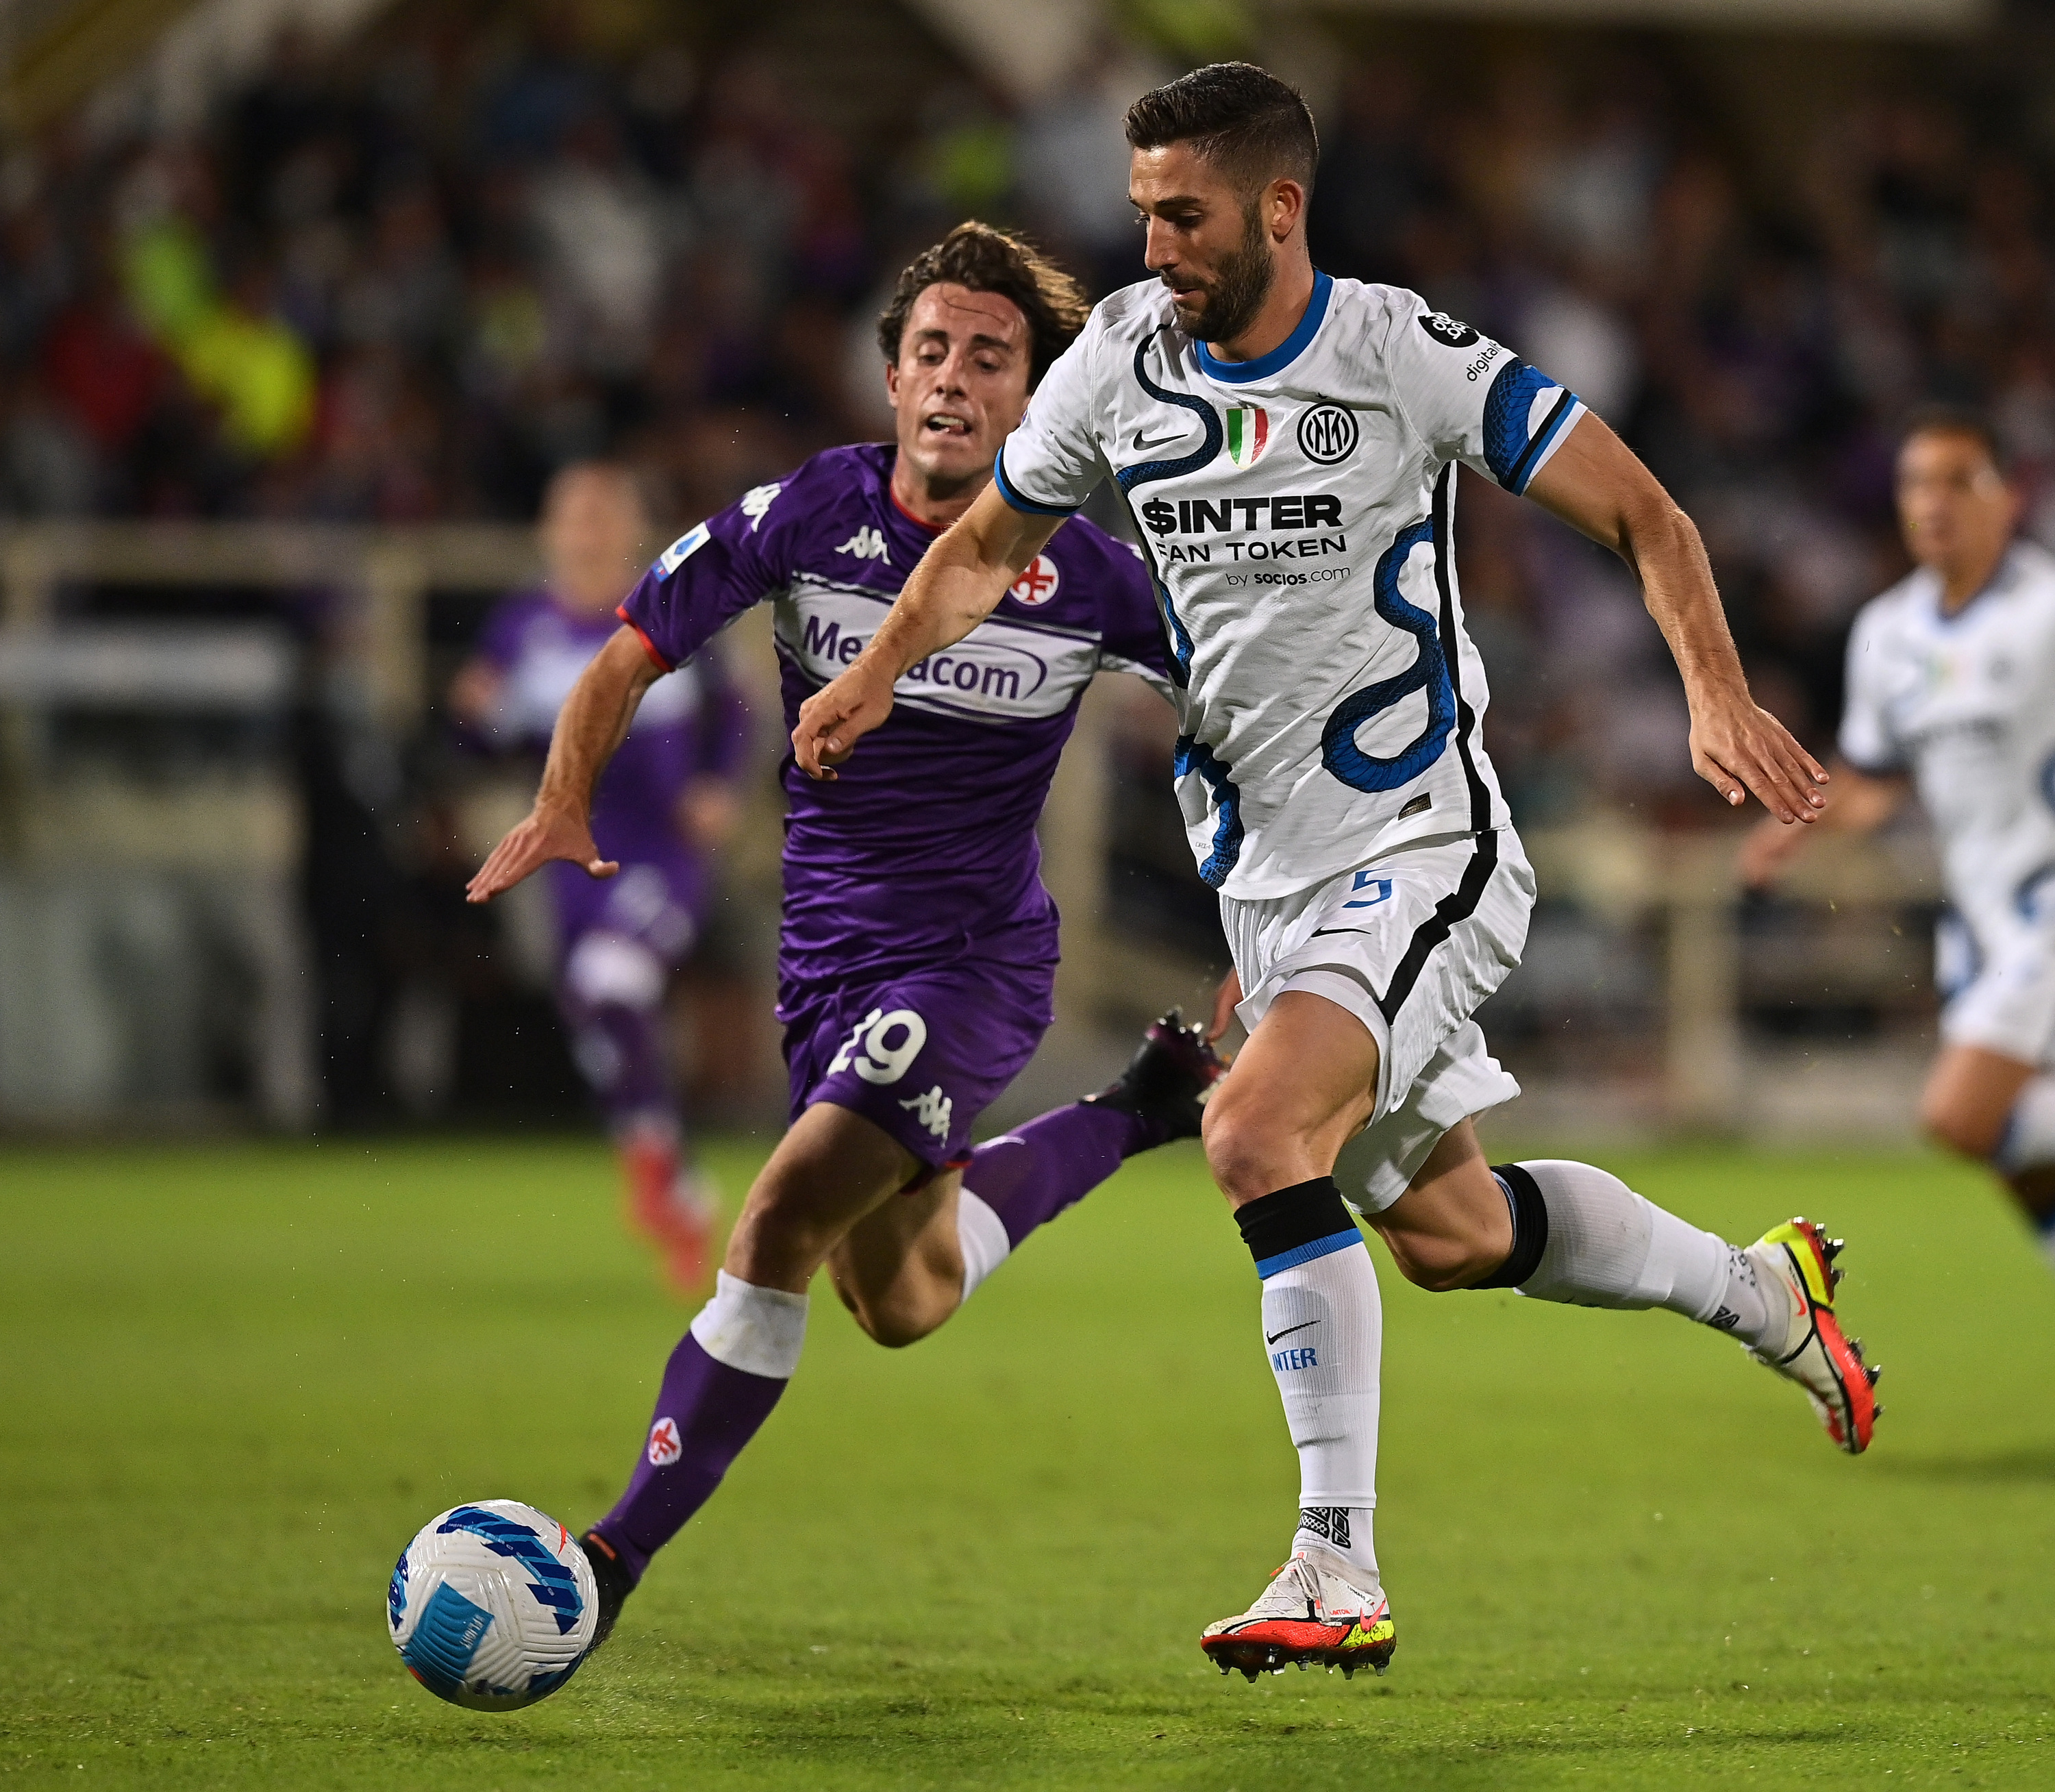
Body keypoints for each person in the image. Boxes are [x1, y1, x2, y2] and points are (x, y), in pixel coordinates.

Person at [792, 65, 1881, 1684]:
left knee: (1250, 1130)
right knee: (1451, 1231)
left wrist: (1712, 692)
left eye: (1185, 215)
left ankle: (1334, 1560)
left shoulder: (1398, 354)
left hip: (1420, 842)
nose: (1153, 244)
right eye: (1143, 210)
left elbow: (1647, 516)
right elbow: (983, 549)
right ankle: (1761, 1292)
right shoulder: (1116, 363)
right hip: (1265, 874)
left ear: (1278, 209)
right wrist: (880, 670)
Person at [466, 223, 1222, 1641]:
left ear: (1034, 397)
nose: (955, 379)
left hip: (974, 964)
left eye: (990, 358)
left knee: (776, 1220)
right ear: (892, 379)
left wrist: (1280, 898)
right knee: (904, 1297)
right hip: (824, 969)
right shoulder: (811, 513)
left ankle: (607, 1563)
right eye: (932, 351)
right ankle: (1141, 1108)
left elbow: (1247, 711)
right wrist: (564, 798)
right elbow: (630, 647)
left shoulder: (1093, 575)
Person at [1744, 408, 2055, 1268]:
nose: (1934, 501)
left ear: (2008, 497)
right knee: (2002, 1146)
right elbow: (1876, 779)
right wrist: (1795, 824)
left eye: (1960, 480)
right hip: (1980, 922)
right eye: (1917, 482)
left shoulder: (2044, 612)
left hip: (2045, 903)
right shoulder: (1888, 632)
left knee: (1959, 1115)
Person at [451, 462, 745, 1287]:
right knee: (596, 1020)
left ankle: (660, 1172)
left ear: (630, 531)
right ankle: (676, 1185)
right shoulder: (522, 629)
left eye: (602, 517)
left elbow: (733, 711)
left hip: (660, 854)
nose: (587, 534)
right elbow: (482, 736)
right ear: (549, 532)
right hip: (570, 861)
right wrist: (470, 716)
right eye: (573, 517)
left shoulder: (671, 610)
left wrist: (718, 786)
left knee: (611, 984)